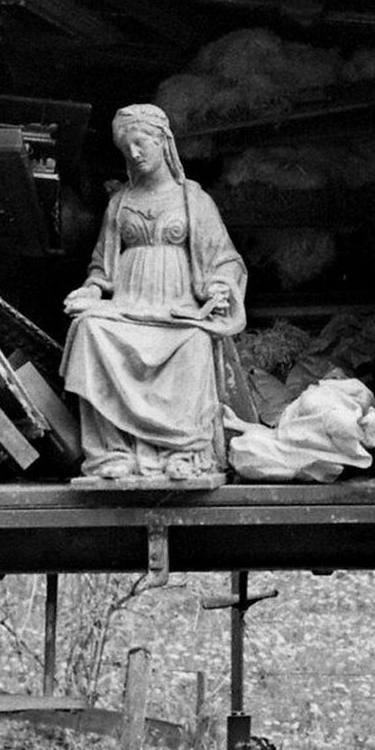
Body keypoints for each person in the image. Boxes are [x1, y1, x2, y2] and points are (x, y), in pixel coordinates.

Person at [61, 104, 246, 482]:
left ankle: (186, 450)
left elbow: (226, 259)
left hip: (177, 309)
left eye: (141, 143)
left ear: (164, 142)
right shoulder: (119, 203)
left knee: (195, 340)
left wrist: (220, 286)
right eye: (126, 148)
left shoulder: (195, 201)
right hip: (128, 306)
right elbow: (101, 267)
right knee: (88, 329)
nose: (135, 153)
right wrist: (91, 292)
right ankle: (112, 453)